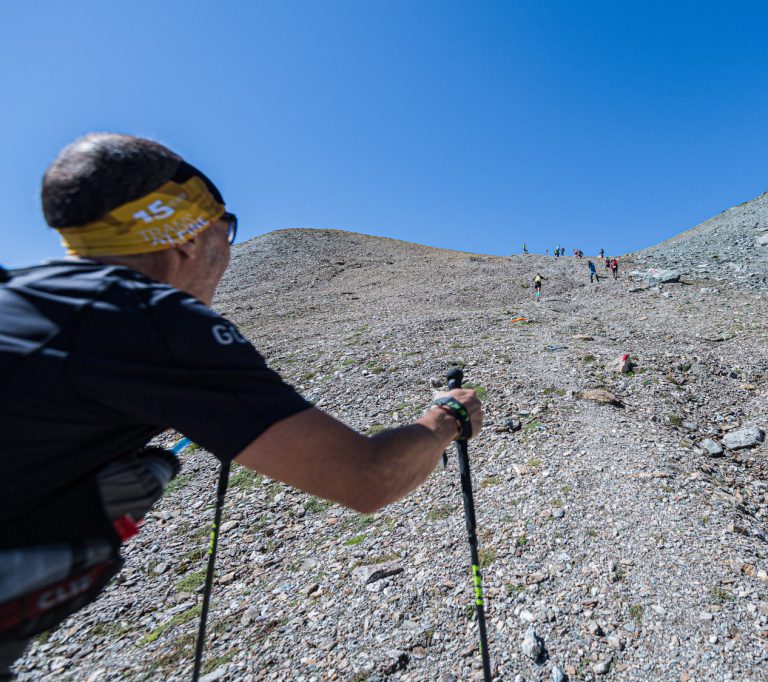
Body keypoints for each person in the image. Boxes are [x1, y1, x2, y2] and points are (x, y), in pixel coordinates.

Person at [0, 133, 484, 677]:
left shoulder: (26, 297)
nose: (227, 252)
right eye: (225, 230)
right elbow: (366, 478)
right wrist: (447, 418)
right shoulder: (149, 319)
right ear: (185, 235)